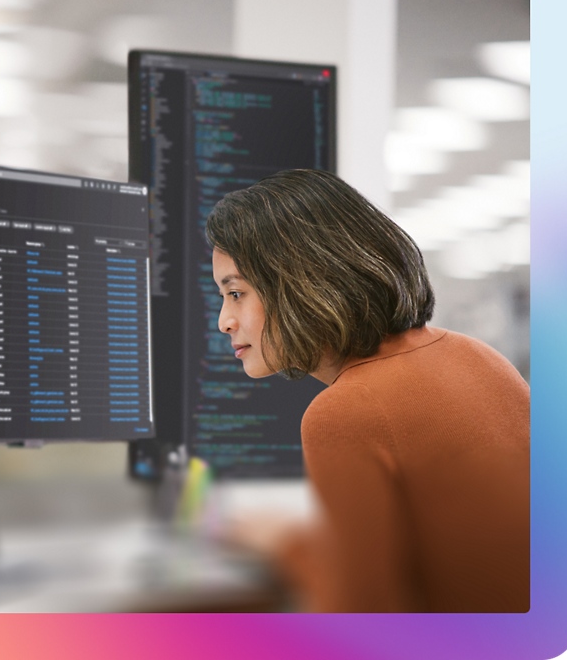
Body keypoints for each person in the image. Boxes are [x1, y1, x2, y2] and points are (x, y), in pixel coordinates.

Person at [206, 168, 529, 613]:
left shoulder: (344, 413)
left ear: (303, 283)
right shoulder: (477, 356)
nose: (224, 319)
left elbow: (362, 616)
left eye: (236, 293)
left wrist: (284, 547)